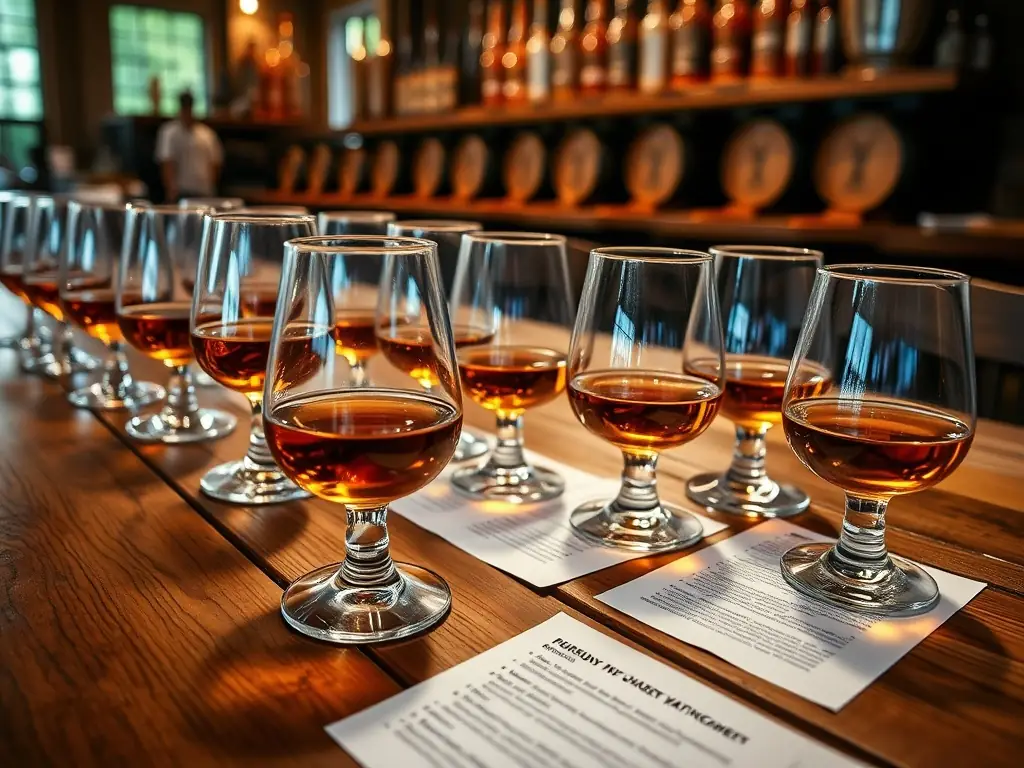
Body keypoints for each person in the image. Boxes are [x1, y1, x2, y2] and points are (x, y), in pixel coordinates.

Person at [155, 91, 223, 201]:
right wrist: (171, 189)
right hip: (180, 192)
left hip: (204, 192)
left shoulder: (207, 134)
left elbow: (215, 163)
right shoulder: (169, 132)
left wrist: (210, 188)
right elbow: (166, 162)